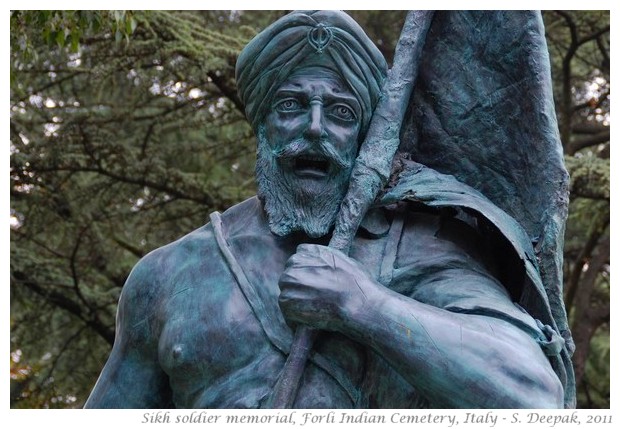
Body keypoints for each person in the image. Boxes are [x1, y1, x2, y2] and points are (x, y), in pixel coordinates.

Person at [85, 10, 570, 409]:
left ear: (362, 137)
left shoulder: (421, 251)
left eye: (340, 113)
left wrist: (366, 306)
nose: (315, 129)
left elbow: (535, 396)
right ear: (262, 125)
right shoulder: (169, 275)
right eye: (291, 105)